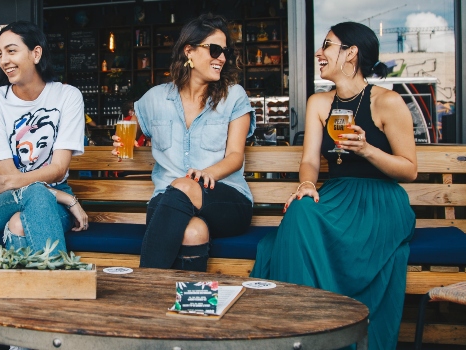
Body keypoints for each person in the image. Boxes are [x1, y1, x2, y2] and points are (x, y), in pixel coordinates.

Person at [250, 22, 417, 350]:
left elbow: (409, 170)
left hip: (380, 201)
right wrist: (308, 184)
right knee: (300, 212)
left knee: (298, 227)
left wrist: (367, 149)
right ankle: (299, 335)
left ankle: (337, 332)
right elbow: (310, 160)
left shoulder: (387, 102)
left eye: (327, 45)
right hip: (337, 194)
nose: (319, 53)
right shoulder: (319, 103)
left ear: (350, 53)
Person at [135, 13, 255, 271]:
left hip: (224, 199)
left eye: (225, 51)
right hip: (167, 202)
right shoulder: (155, 99)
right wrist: (124, 140)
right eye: (214, 50)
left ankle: (143, 286)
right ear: (189, 51)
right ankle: (190, 306)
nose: (221, 57)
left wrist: (205, 174)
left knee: (186, 185)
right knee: (193, 232)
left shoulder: (233, 96)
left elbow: (236, 156)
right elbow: (130, 129)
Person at [0, 21, 88, 255]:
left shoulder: (67, 96)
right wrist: (65, 197)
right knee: (35, 193)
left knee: (18, 224)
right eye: (0, 53)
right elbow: (6, 177)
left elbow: (57, 169)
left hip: (50, 197)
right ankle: (63, 283)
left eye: (11, 51)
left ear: (36, 53)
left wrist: (54, 192)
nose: (4, 60)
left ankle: (29, 288)